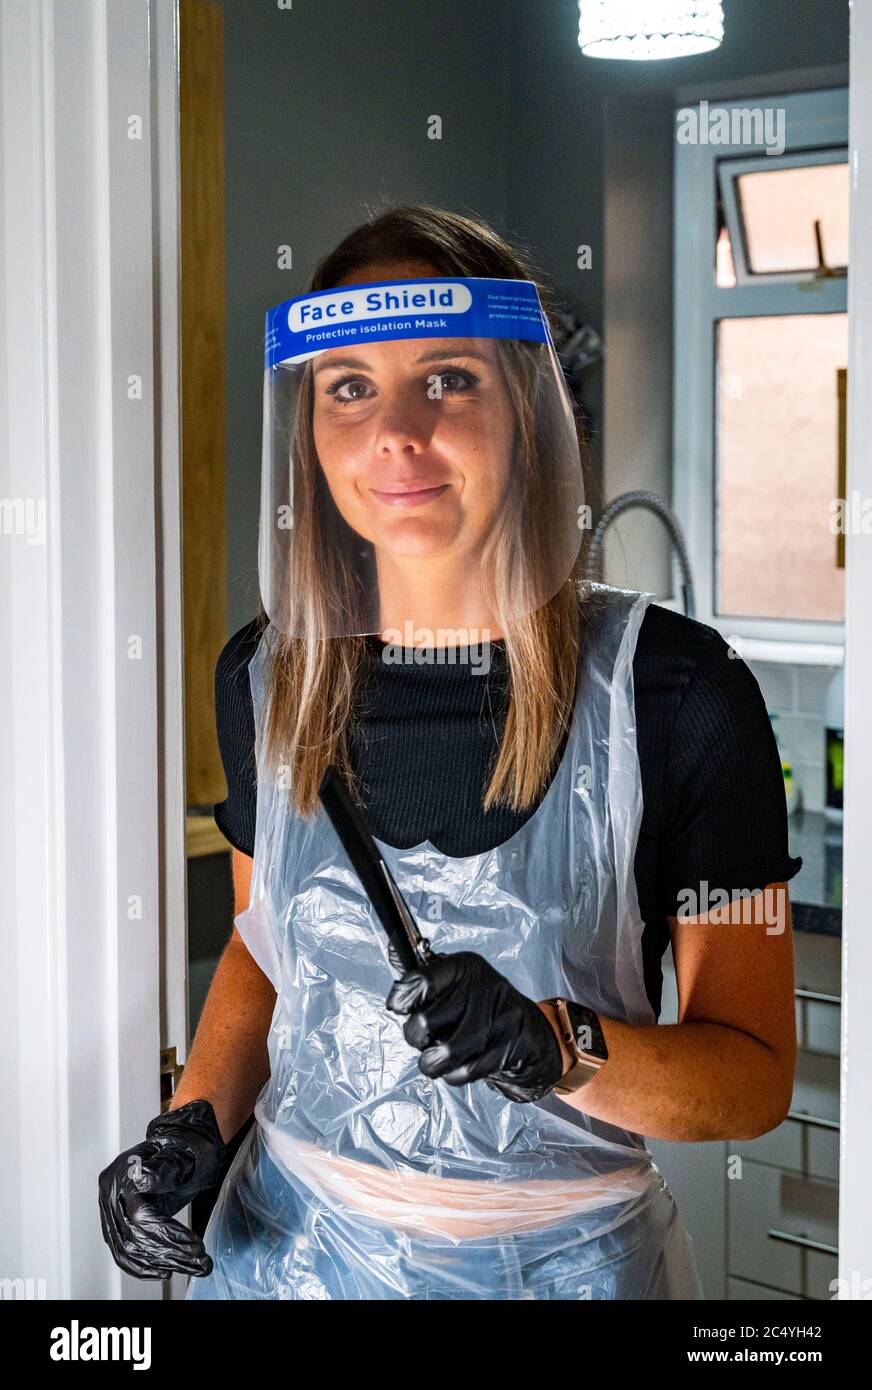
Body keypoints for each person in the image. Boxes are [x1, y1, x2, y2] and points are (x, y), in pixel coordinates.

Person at [99, 204, 801, 1300]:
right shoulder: (265, 676)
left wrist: (556, 1047)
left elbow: (750, 1079)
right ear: (310, 431)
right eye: (348, 387)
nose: (394, 432)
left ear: (526, 407)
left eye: (447, 379)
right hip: (279, 1256)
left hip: (560, 1273)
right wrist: (194, 1122)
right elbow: (266, 948)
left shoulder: (675, 695)